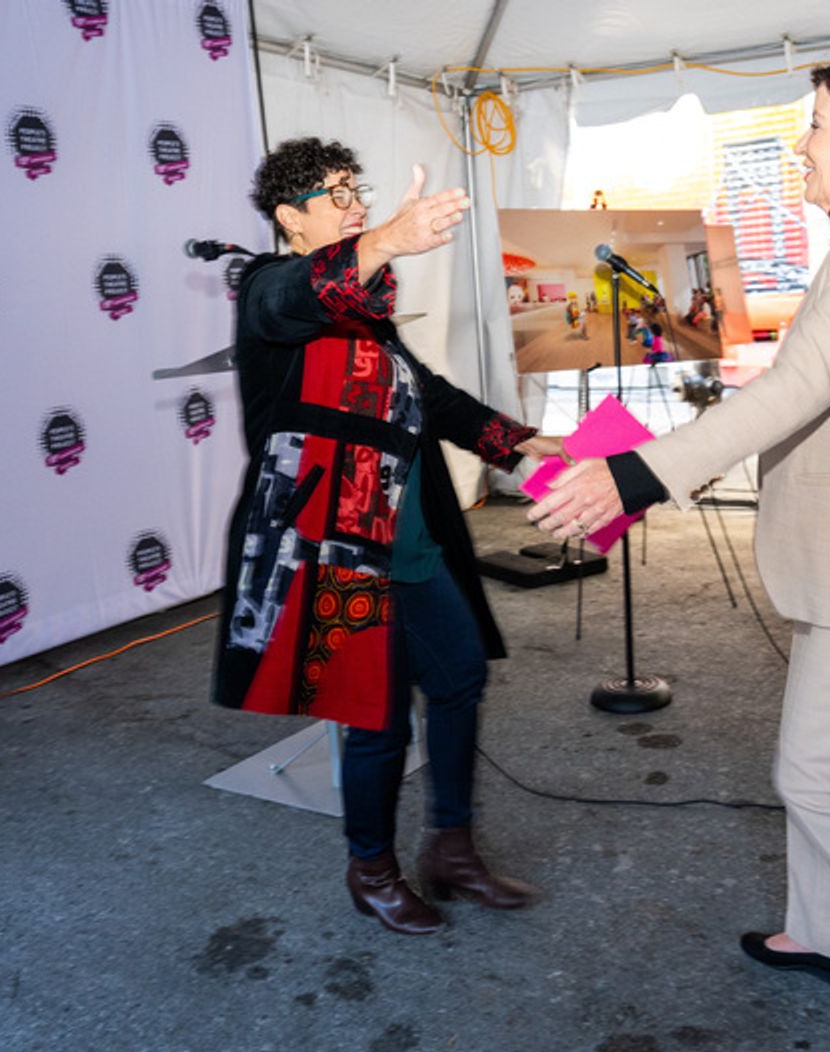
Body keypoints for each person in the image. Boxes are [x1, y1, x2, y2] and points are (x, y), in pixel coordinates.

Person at [529, 54, 830, 1051]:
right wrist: (663, 457)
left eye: (817, 123)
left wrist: (634, 474)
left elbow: (793, 392)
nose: (801, 142)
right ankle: (824, 934)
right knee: (825, 757)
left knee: (812, 773)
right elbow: (815, 395)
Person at [212, 137, 565, 936]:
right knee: (373, 718)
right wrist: (384, 241)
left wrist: (516, 441)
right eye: (335, 195)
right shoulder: (269, 289)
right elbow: (290, 298)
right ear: (289, 219)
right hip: (334, 553)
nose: (356, 203)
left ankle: (453, 849)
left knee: (460, 677)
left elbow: (430, 398)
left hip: (411, 545)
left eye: (356, 189)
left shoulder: (368, 317)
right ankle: (371, 868)